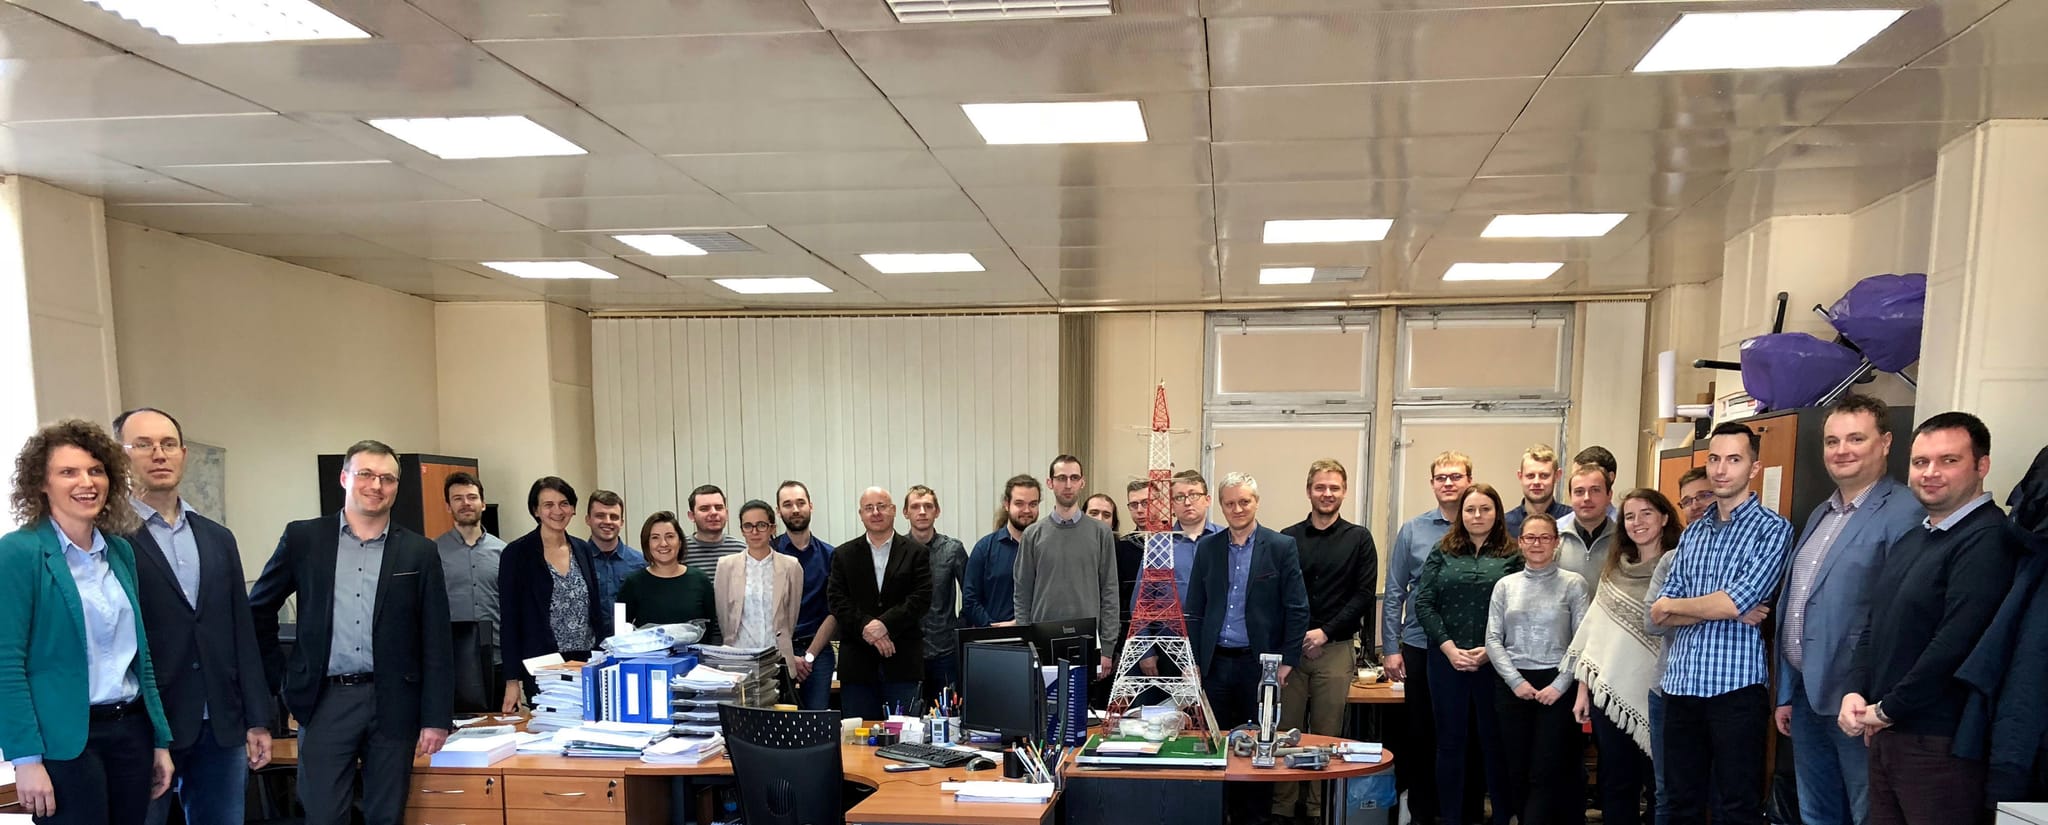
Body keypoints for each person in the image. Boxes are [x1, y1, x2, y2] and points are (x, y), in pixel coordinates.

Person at [250, 439, 452, 825]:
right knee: (323, 814)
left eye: (387, 478)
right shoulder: (304, 538)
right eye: (366, 475)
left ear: (396, 487)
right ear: (345, 478)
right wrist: (284, 680)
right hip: (325, 700)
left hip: (394, 704)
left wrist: (436, 716)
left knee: (385, 815)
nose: (376, 485)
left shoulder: (419, 551)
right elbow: (258, 609)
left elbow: (436, 640)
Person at [1839, 412, 2020, 825]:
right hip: (1890, 733)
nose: (1931, 473)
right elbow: (1876, 625)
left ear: (1982, 465)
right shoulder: (1914, 538)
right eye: (1921, 462)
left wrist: (1887, 710)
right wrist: (1857, 692)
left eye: (1949, 461)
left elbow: (1956, 643)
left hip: (1941, 743)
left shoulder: (1989, 539)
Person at [1, 420, 176, 824]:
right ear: (41, 483)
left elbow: (140, 656)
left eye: (96, 470)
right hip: (66, 743)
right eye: (68, 472)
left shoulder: (119, 552)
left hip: (131, 732)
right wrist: (25, 759)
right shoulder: (18, 552)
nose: (87, 482)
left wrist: (159, 740)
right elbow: (6, 665)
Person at [116, 408, 273, 825]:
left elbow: (242, 631)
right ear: (118, 457)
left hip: (219, 722)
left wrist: (258, 717)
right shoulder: (108, 540)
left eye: (168, 444)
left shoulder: (216, 537)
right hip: (146, 725)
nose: (159, 455)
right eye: (143, 445)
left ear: (183, 454)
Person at [1773, 395, 1924, 825]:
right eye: (1832, 440)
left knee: (1867, 811)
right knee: (1816, 813)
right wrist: (1786, 692)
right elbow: (1796, 604)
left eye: (1856, 438)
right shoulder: (1822, 511)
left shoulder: (1905, 512)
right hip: (1805, 694)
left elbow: (1898, 615)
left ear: (1886, 442)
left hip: (1858, 700)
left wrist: (1876, 699)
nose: (1842, 450)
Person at [1650, 422, 1794, 825]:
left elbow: (1734, 602)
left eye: (1734, 459)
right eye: (1714, 458)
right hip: (1681, 685)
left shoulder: (1773, 529)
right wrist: (1721, 605)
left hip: (1735, 689)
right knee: (1680, 804)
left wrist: (1699, 605)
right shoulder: (1693, 533)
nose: (1721, 469)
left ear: (1754, 467)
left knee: (1737, 806)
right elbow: (1659, 610)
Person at [1184, 472, 1309, 825]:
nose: (1237, 508)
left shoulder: (1281, 546)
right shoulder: (1208, 548)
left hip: (1261, 667)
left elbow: (1297, 608)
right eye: (1230, 503)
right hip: (1215, 665)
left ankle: (1253, 818)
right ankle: (1217, 815)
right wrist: (1192, 659)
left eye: (1244, 501)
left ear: (1256, 502)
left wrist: (1287, 661)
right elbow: (1194, 609)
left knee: (1259, 746)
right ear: (1220, 505)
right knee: (1216, 747)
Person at [1569, 489, 1682, 825]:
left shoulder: (1680, 565)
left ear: (1664, 518)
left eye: (1646, 513)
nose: (1637, 522)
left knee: (1661, 785)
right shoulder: (1614, 571)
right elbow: (1594, 638)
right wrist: (1582, 690)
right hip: (1612, 695)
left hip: (1667, 692)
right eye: (1630, 516)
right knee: (1617, 781)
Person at [1274, 458, 1378, 822]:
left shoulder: (1359, 538)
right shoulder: (1286, 538)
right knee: (1285, 731)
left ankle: (1319, 807)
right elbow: (1280, 593)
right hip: (1291, 651)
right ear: (1308, 491)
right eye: (1320, 487)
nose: (1327, 493)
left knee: (1326, 734)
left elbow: (1363, 595)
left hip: (1334, 649)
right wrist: (1297, 636)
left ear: (1344, 492)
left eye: (1334, 487)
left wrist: (1325, 632)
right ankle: (1283, 807)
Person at [1417, 482, 1520, 825]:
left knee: (1496, 743)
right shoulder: (1442, 550)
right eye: (1471, 509)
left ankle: (1503, 816)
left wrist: (1492, 650)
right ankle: (1449, 817)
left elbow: (1520, 609)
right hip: (1447, 661)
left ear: (1497, 513)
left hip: (1496, 663)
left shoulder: (1512, 554)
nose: (1478, 515)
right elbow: (1424, 602)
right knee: (1450, 744)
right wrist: (1447, 647)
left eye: (1485, 509)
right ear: (1461, 514)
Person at [1382, 450, 1474, 825]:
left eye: (1456, 476)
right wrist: (1391, 648)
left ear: (1469, 480)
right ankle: (1422, 814)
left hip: (1471, 650)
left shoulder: (1483, 523)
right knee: (1422, 736)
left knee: (1467, 737)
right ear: (1432, 483)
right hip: (1420, 646)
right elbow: (1394, 591)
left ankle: (1463, 813)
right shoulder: (1414, 530)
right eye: (1441, 477)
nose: (1448, 483)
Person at [1489, 512, 1590, 825]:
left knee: (1546, 771)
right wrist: (1515, 681)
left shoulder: (1574, 584)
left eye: (1545, 537)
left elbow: (1582, 641)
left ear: (1556, 543)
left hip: (1557, 685)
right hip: (1513, 686)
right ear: (1520, 542)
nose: (1537, 544)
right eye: (1530, 537)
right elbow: (1493, 640)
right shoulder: (1505, 586)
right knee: (1516, 768)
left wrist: (1559, 686)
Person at [497, 477, 611, 712]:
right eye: (548, 505)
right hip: (543, 664)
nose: (557, 511)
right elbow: (509, 620)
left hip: (586, 661)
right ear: (536, 510)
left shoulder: (583, 549)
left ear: (573, 509)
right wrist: (512, 680)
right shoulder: (516, 553)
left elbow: (594, 609)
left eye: (564, 503)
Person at [828, 487, 933, 720]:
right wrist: (866, 627)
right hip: (857, 665)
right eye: (869, 508)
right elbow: (837, 600)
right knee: (857, 740)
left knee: (905, 739)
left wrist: (884, 625)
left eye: (882, 506)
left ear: (894, 510)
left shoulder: (917, 553)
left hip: (903, 663)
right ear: (861, 514)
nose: (876, 512)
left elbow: (921, 598)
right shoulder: (843, 555)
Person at [1014, 455, 1121, 679]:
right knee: (1044, 709)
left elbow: (1110, 592)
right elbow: (1022, 593)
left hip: (1087, 641)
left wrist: (1107, 649)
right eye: (1061, 478)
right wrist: (1027, 644)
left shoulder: (1101, 533)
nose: (1068, 484)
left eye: (1074, 478)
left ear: (1082, 482)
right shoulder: (1033, 534)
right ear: (1050, 483)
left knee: (1083, 710)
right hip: (1043, 642)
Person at [1137, 469, 1224, 677]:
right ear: (1172, 505)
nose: (1187, 502)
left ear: (1207, 499)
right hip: (1168, 649)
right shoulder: (1158, 544)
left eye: (1194, 495)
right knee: (1169, 710)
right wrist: (1145, 651)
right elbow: (1140, 601)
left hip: (1218, 649)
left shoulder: (1225, 541)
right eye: (1179, 497)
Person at [433, 471, 504, 713]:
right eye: (458, 498)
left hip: (498, 660)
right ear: (448, 506)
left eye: (472, 497)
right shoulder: (431, 553)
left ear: (482, 504)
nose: (466, 504)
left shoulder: (504, 553)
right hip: (454, 662)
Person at [716, 501, 802, 700]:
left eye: (761, 525)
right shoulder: (726, 566)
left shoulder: (791, 566)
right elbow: (724, 617)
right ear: (742, 530)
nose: (755, 531)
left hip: (777, 659)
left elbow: (791, 617)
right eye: (748, 526)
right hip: (739, 660)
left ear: (772, 528)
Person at [773, 480, 838, 711]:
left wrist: (808, 656)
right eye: (788, 504)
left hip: (817, 651)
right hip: (776, 653)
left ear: (811, 506)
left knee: (816, 723)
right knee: (777, 724)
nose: (795, 509)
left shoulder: (831, 555)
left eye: (801, 503)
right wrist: (789, 655)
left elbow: (834, 611)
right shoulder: (769, 555)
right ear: (778, 511)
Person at [906, 485, 968, 705]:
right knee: (910, 719)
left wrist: (957, 627)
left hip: (945, 651)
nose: (922, 511)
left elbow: (969, 594)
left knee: (948, 716)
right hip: (907, 651)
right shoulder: (897, 550)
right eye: (915, 506)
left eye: (928, 506)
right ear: (906, 513)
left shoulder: (953, 549)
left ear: (937, 511)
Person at [615, 511, 716, 628]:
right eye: (655, 538)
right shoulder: (633, 583)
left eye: (670, 536)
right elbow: (621, 630)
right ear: (647, 544)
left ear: (680, 542)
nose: (663, 543)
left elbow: (710, 626)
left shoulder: (700, 580)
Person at [963, 475, 1039, 627]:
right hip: (997, 642)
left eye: (1033, 504)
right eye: (1019, 503)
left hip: (1039, 639)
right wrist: (993, 626)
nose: (1026, 510)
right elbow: (970, 600)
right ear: (1006, 504)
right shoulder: (984, 549)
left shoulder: (1047, 548)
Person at [583, 490, 642, 611]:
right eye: (600, 515)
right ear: (588, 519)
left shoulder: (640, 562)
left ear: (621, 523)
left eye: (614, 517)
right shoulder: (576, 562)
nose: (608, 521)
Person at [1558, 462, 1617, 581]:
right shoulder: (1555, 540)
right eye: (1579, 492)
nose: (1587, 498)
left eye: (1595, 490)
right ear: (1571, 496)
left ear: (1609, 495)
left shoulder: (1625, 540)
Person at [684, 485, 745, 590]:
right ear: (691, 516)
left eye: (719, 507)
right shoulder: (680, 551)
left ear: (726, 513)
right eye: (704, 509)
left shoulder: (741, 550)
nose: (713, 512)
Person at [1505, 444, 1571, 537]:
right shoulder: (1505, 525)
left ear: (1557, 476)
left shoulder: (1571, 520)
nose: (1536, 482)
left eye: (1544, 476)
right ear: (1520, 476)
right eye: (1530, 476)